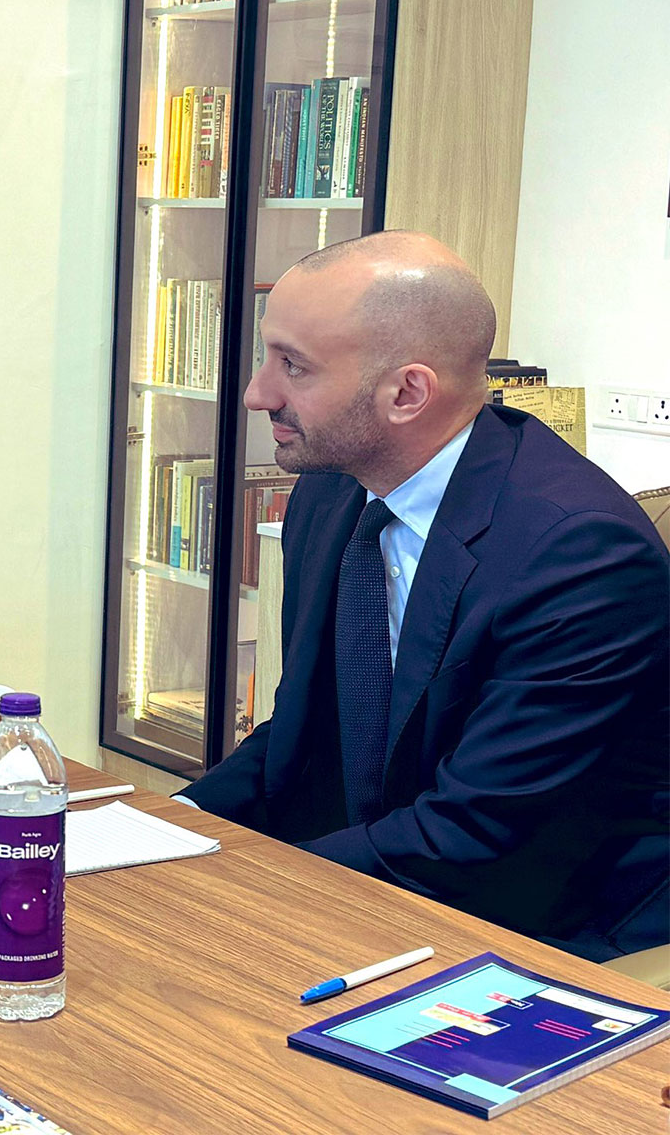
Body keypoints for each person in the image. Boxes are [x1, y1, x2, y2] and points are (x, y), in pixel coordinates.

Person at [177, 231, 668, 963]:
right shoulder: (332, 489)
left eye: (294, 367)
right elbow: (303, 733)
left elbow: (476, 836)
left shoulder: (579, 555)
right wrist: (167, 828)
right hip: (385, 880)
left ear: (407, 392)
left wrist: (244, 888)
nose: (257, 393)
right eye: (266, 355)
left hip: (555, 933)